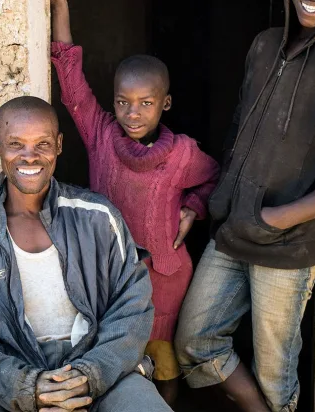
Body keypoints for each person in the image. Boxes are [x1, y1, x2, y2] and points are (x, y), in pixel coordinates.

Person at [174, 1, 315, 411]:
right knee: (193, 341)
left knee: (275, 376)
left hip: (288, 244)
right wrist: (218, 200)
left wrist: (277, 217)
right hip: (232, 229)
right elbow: (239, 125)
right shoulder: (264, 45)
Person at [0, 96, 172, 412]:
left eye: (42, 144)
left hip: (102, 374)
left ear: (58, 145)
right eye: (15, 144)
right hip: (8, 383)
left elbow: (132, 307)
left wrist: (88, 375)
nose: (30, 157)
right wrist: (27, 387)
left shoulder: (97, 217)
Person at [49, 0, 220, 405]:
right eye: (123, 101)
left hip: (163, 278)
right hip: (106, 276)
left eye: (146, 102)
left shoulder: (182, 153)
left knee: (163, 361)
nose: (132, 112)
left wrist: (194, 209)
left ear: (166, 103)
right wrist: (58, 6)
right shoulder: (101, 136)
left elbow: (217, 177)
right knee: (110, 359)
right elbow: (71, 80)